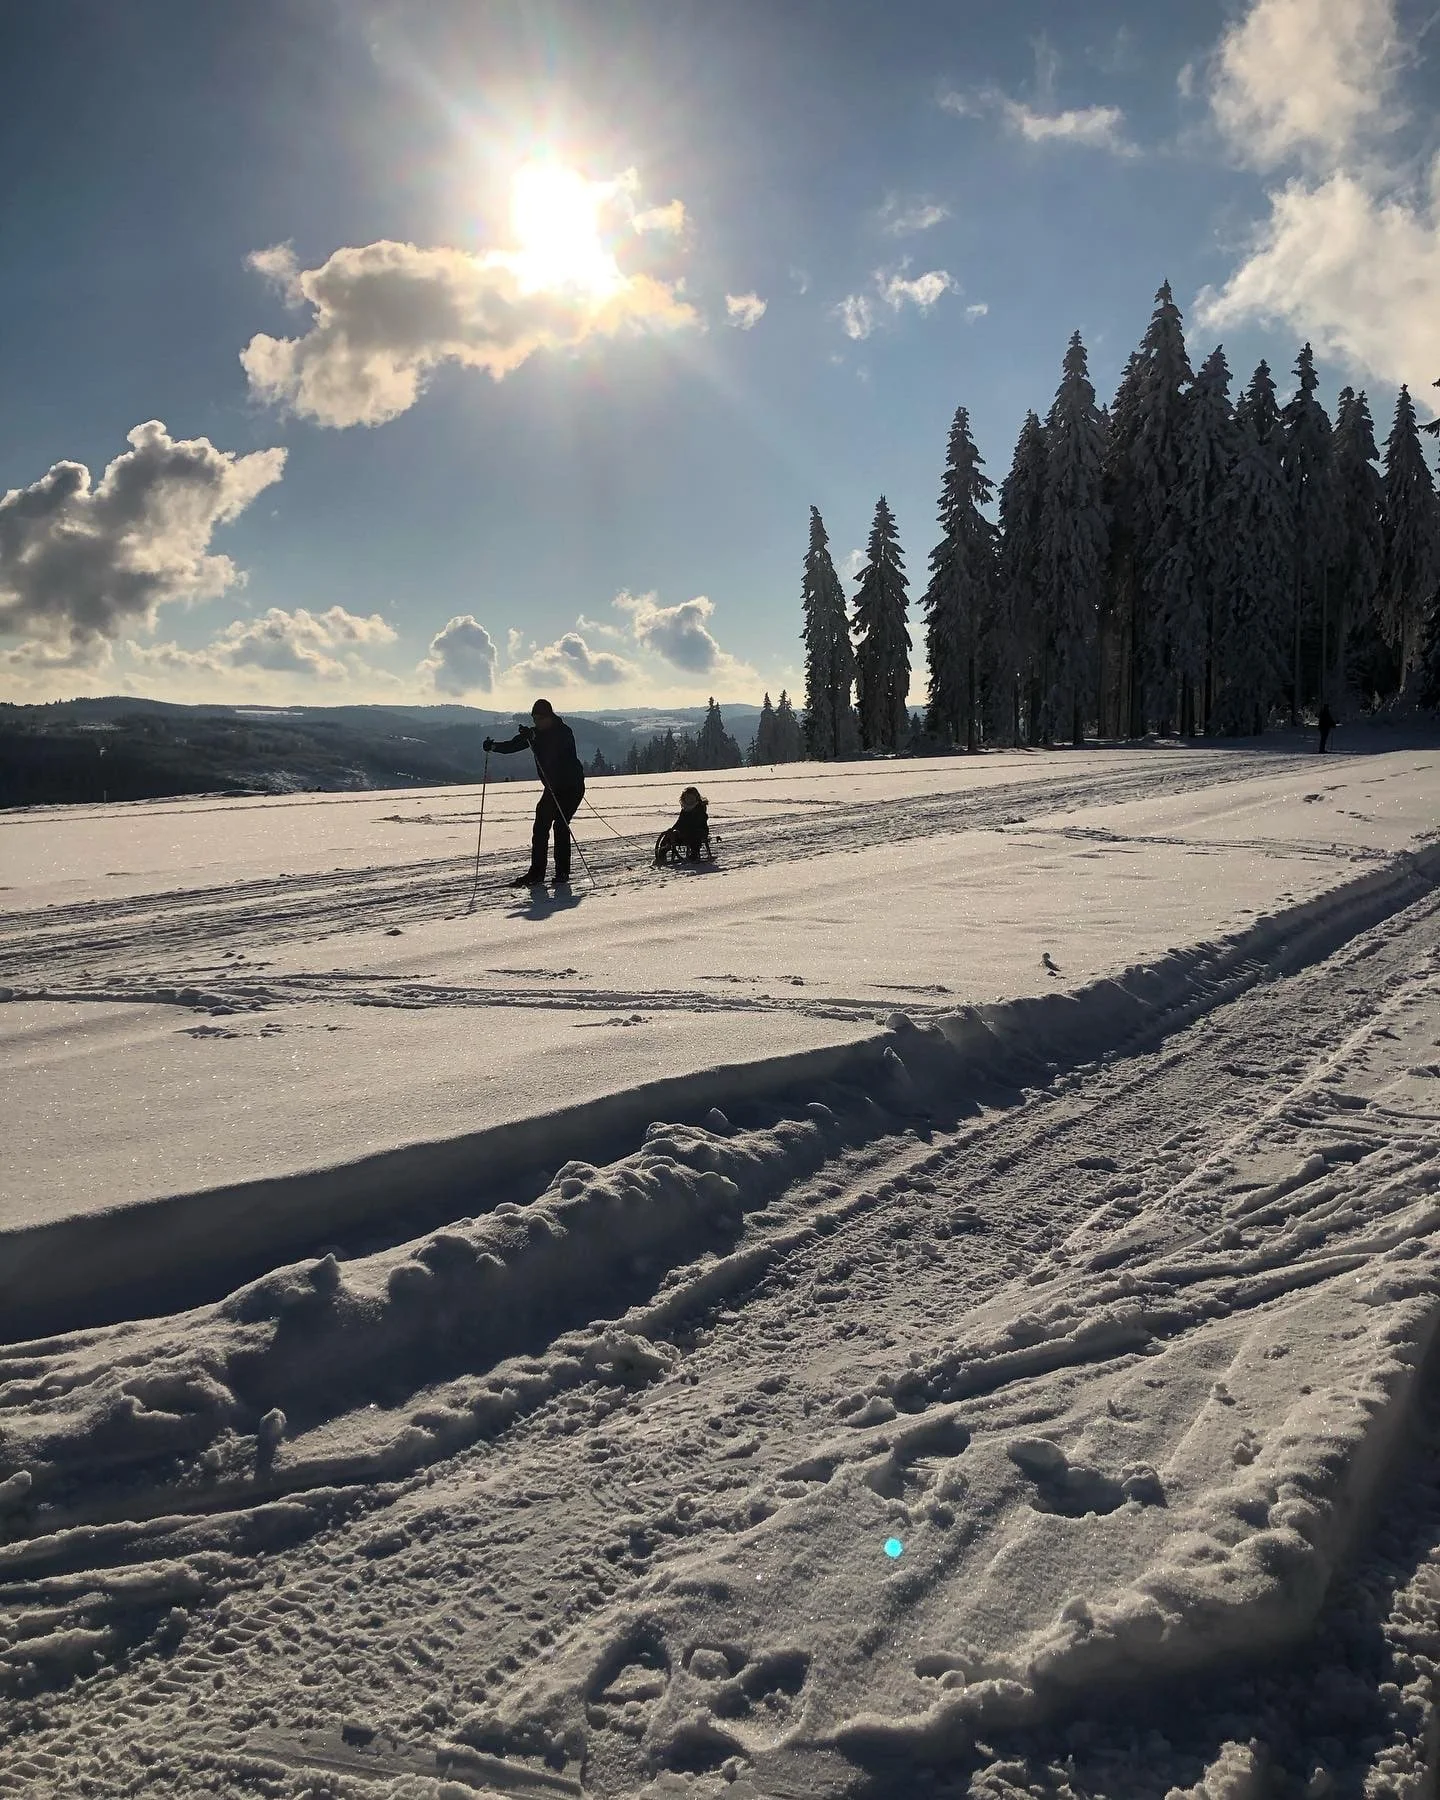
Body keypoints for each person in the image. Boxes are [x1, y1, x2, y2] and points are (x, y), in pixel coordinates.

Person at [484, 699, 586, 886]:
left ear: (549, 716)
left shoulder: (563, 732)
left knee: (560, 826)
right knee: (540, 827)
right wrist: (494, 747)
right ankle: (536, 873)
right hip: (553, 787)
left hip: (571, 787)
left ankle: (562, 873)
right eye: (534, 718)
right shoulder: (537, 733)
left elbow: (555, 748)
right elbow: (514, 745)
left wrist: (535, 738)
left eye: (540, 718)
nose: (537, 722)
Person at [655, 786, 709, 864]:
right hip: (684, 832)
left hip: (699, 830)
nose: (689, 799)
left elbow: (699, 822)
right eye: (687, 797)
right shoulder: (685, 809)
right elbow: (679, 822)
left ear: (696, 797)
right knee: (669, 834)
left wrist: (684, 830)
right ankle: (662, 854)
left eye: (691, 797)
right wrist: (672, 830)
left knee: (695, 834)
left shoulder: (699, 807)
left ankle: (694, 854)